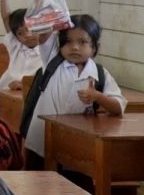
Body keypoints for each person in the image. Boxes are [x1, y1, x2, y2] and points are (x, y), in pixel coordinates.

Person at [22, 10, 126, 167]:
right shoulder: (52, 61)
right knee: (38, 186)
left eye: (83, 42)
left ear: (95, 47)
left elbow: (118, 108)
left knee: (78, 189)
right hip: (43, 142)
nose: (75, 47)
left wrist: (97, 96)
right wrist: (55, 16)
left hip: (79, 149)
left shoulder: (99, 73)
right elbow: (44, 37)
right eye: (68, 42)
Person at [0, 0, 42, 92]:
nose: (26, 35)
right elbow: (6, 18)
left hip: (33, 92)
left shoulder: (46, 48)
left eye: (29, 29)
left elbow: (41, 8)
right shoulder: (16, 46)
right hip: (8, 92)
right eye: (20, 33)